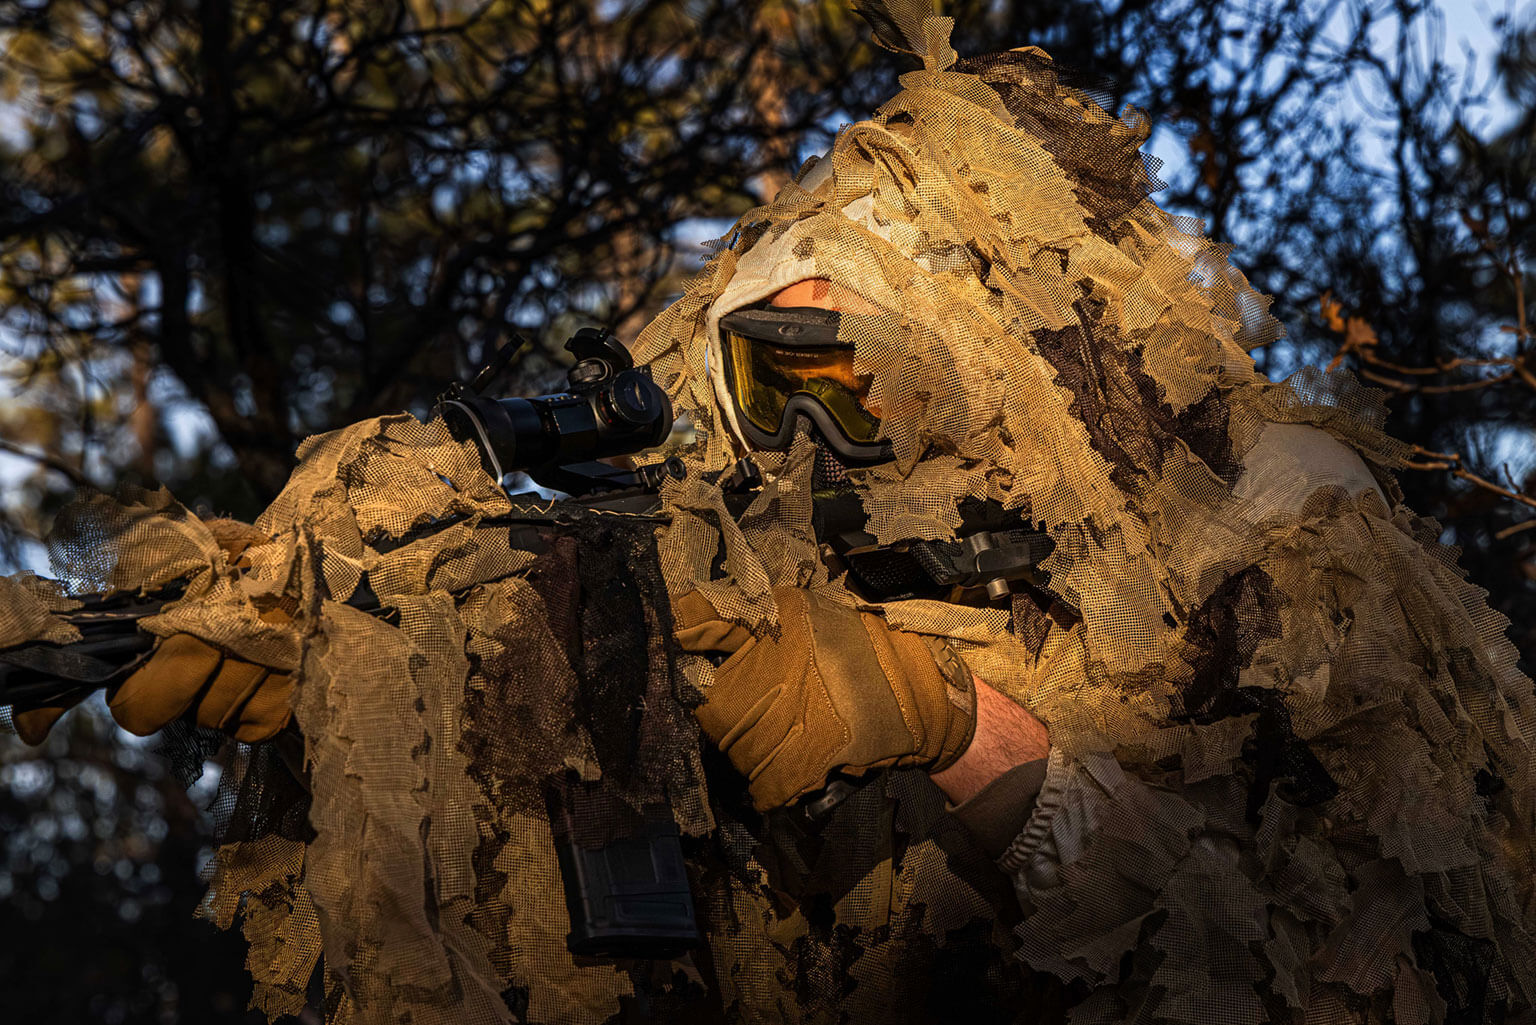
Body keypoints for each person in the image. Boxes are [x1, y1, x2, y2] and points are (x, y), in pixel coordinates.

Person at [7, 8, 1535, 1025]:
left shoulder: (1281, 525)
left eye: (842, 380)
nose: (808, 441)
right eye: (767, 381)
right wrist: (392, 657)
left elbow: (1328, 958)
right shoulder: (788, 496)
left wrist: (954, 724)